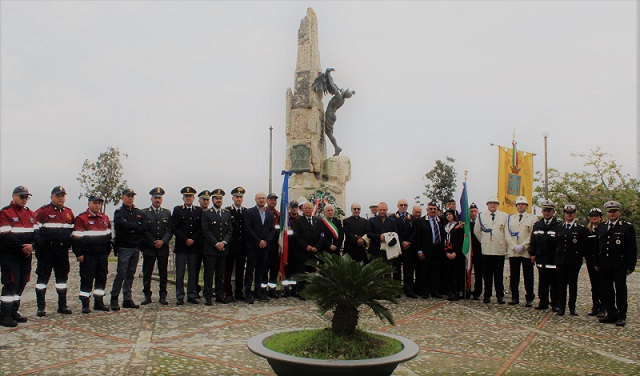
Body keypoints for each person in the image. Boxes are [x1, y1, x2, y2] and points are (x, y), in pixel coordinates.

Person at [0, 186, 39, 326]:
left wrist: (32, 245)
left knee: (22, 282)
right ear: (13, 196)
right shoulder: (5, 213)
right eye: (22, 197)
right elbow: (5, 234)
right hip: (10, 255)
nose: (24, 200)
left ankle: (13, 311)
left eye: (26, 197)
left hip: (26, 255)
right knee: (11, 283)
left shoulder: (30, 214)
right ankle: (4, 314)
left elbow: (37, 232)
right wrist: (22, 246)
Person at [33, 186, 74, 316]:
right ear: (52, 197)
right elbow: (35, 229)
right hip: (47, 251)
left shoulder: (69, 212)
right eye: (57, 196)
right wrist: (39, 247)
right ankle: (41, 307)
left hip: (62, 251)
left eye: (62, 196)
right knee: (42, 279)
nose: (60, 198)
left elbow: (72, 231)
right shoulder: (43, 211)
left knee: (62, 279)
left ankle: (62, 305)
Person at [596, 201, 637, 327]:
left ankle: (621, 315)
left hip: (619, 264)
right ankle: (611, 313)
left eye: (614, 211)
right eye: (609, 211)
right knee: (607, 289)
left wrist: (630, 266)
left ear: (619, 212)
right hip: (604, 264)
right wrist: (596, 262)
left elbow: (632, 248)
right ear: (606, 213)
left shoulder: (626, 227)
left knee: (620, 289)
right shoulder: (602, 226)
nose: (612, 214)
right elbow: (597, 247)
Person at [72, 196, 112, 314]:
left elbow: (108, 236)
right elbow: (76, 238)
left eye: (99, 203)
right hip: (88, 254)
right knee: (86, 279)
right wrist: (79, 253)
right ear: (89, 203)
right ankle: (85, 304)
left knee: (101, 278)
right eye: (94, 203)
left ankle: (99, 302)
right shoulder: (81, 218)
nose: (97, 205)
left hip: (102, 255)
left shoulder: (104, 218)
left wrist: (107, 252)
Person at [110, 189, 147, 310]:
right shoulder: (119, 212)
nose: (130, 198)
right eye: (128, 196)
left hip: (135, 247)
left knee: (130, 274)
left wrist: (133, 228)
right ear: (122, 197)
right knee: (121, 273)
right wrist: (136, 227)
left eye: (132, 196)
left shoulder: (138, 212)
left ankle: (127, 298)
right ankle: (114, 297)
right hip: (124, 247)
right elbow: (122, 226)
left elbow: (144, 227)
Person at [171, 186, 203, 305]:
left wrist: (193, 239)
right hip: (182, 246)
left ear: (194, 197)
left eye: (190, 196)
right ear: (183, 198)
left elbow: (200, 228)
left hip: (194, 246)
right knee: (180, 273)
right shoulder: (178, 210)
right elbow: (174, 227)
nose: (188, 198)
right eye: (186, 196)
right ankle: (180, 295)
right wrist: (186, 239)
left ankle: (191, 294)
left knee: (192, 272)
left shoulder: (198, 210)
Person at [554, 204, 588, 316]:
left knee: (573, 285)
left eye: (571, 213)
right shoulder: (559, 227)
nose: (569, 215)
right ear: (564, 214)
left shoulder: (580, 229)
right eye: (567, 213)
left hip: (573, 261)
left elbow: (584, 246)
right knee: (561, 285)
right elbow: (555, 245)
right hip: (561, 261)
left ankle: (572, 307)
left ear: (574, 214)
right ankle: (561, 307)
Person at [243, 192, 277, 304]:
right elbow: (247, 228)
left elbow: (272, 230)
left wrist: (266, 242)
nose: (261, 200)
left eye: (263, 198)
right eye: (259, 198)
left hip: (265, 247)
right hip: (253, 246)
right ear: (255, 199)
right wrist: (258, 241)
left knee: (261, 271)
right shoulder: (249, 212)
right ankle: (248, 292)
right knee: (250, 270)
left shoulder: (269, 215)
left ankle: (258, 291)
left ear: (265, 200)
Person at [473, 196, 508, 304]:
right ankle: (487, 295)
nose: (492, 205)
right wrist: (484, 241)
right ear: (487, 205)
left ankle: (500, 296)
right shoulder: (481, 216)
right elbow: (477, 232)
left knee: (499, 274)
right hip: (487, 249)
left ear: (498, 205)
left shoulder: (504, 216)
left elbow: (506, 232)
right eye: (490, 203)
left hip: (499, 249)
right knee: (487, 275)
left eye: (494, 203)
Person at [141, 187, 172, 306]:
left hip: (163, 248)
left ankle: (163, 296)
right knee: (147, 273)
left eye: (159, 198)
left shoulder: (167, 213)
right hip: (150, 248)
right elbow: (144, 230)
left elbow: (170, 230)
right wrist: (154, 241)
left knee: (163, 273)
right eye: (155, 198)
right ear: (151, 198)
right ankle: (147, 295)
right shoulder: (144, 212)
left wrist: (163, 241)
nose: (157, 200)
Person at [201, 189, 233, 305]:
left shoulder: (226, 213)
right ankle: (208, 296)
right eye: (216, 198)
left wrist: (223, 243)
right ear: (212, 200)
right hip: (210, 249)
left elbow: (230, 231)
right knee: (209, 275)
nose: (218, 201)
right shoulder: (206, 213)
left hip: (223, 250)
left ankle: (220, 295)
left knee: (220, 275)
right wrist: (216, 243)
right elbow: (206, 231)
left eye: (220, 199)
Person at [529, 199, 561, 312]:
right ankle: (543, 302)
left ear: (553, 212)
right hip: (541, 258)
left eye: (549, 210)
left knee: (554, 283)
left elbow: (560, 243)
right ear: (542, 212)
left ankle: (555, 303)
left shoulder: (558, 225)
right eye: (544, 210)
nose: (546, 213)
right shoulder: (538, 225)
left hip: (553, 260)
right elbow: (533, 240)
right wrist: (532, 253)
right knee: (542, 282)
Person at [505, 196, 536, 307]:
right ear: (516, 206)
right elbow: (507, 234)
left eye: (523, 204)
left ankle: (529, 297)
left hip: (525, 251)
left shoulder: (532, 219)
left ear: (526, 206)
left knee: (528, 275)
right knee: (514, 275)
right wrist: (514, 246)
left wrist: (523, 246)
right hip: (513, 251)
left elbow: (533, 235)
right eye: (519, 204)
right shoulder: (510, 218)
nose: (521, 206)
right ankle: (515, 297)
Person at [290, 201, 323, 298]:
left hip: (313, 252)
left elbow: (322, 235)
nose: (308, 210)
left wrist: (317, 246)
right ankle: (300, 292)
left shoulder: (318, 220)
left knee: (311, 271)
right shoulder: (298, 221)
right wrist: (306, 246)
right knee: (301, 272)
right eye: (306, 208)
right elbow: (296, 236)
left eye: (309, 208)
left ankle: (310, 291)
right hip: (302, 252)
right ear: (302, 210)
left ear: (313, 209)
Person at [415, 201, 445, 299]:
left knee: (436, 271)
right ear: (427, 210)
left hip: (438, 249)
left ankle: (435, 291)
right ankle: (424, 291)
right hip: (426, 249)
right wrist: (419, 250)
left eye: (434, 209)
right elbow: (417, 237)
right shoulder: (421, 221)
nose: (432, 210)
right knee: (425, 271)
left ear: (437, 210)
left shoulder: (441, 220)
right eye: (431, 209)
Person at [224, 186, 247, 302]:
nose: (239, 199)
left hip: (242, 245)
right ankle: (228, 292)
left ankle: (239, 292)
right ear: (233, 198)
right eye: (237, 197)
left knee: (240, 270)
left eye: (240, 197)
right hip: (231, 244)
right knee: (228, 270)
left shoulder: (246, 211)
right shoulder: (227, 211)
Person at [394, 199, 417, 297]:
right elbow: (393, 232)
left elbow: (415, 232)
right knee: (396, 269)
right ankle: (396, 290)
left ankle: (409, 290)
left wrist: (408, 242)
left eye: (405, 205)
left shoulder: (412, 218)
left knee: (408, 269)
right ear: (398, 206)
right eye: (401, 205)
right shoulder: (392, 218)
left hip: (409, 248)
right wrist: (402, 242)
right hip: (397, 247)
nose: (403, 207)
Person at [585, 208, 604, 317]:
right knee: (594, 284)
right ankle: (595, 305)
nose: (594, 217)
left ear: (601, 217)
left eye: (597, 215)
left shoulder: (604, 228)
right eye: (592, 215)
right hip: (591, 261)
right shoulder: (588, 230)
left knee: (603, 284)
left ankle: (603, 306)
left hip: (602, 261)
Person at [442, 208, 464, 301]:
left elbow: (460, 241)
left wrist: (455, 252)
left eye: (450, 214)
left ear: (453, 215)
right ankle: (450, 291)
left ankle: (456, 291)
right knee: (449, 273)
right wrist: (446, 252)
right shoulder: (445, 227)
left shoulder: (459, 226)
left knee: (456, 273)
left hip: (456, 253)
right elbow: (442, 240)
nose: (448, 216)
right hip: (447, 253)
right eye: (447, 215)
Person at [263, 193, 281, 298]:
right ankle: (263, 289)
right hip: (266, 245)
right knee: (264, 269)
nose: (273, 202)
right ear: (267, 201)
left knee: (274, 269)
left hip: (276, 245)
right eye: (271, 200)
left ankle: (272, 290)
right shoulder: (263, 213)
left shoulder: (279, 215)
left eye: (274, 200)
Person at [281, 200, 301, 296]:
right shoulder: (285, 219)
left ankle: (294, 289)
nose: (294, 209)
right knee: (287, 269)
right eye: (292, 207)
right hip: (287, 247)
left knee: (295, 270)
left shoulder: (300, 219)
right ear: (289, 208)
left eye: (295, 207)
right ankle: (286, 289)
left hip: (297, 248)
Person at [195, 190, 211, 298]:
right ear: (199, 200)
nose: (205, 202)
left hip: (209, 246)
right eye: (203, 199)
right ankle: (195, 290)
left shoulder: (211, 213)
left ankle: (208, 290)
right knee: (195, 269)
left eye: (207, 200)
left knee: (209, 270)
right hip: (197, 245)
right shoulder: (196, 212)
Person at [468, 203, 483, 300]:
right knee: (467, 271)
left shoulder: (481, 223)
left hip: (479, 251)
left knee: (479, 272)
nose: (473, 213)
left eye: (475, 211)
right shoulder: (465, 224)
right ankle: (467, 290)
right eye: (471, 211)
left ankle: (478, 292)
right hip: (469, 251)